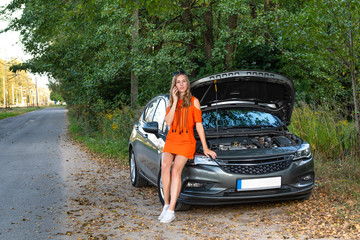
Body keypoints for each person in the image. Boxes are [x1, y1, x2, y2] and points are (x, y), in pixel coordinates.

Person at [158, 71, 217, 223]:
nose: (182, 84)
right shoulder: (171, 101)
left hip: (186, 141)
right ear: (175, 85)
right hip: (172, 139)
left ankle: (171, 210)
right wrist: (174, 101)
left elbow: (199, 125)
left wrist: (205, 147)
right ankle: (165, 205)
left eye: (184, 81)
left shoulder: (194, 101)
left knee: (176, 170)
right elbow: (169, 122)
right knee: (165, 166)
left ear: (187, 84)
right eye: (178, 82)